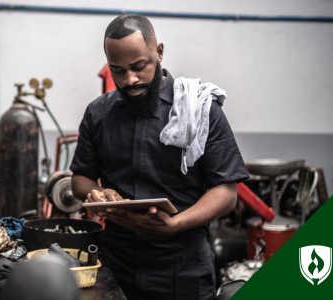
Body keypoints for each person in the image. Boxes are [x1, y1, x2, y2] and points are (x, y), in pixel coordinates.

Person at [70, 14, 249, 300]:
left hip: (183, 272)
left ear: (160, 52)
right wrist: (98, 192)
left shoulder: (199, 110)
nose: (129, 79)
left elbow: (226, 192)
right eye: (118, 71)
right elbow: (80, 178)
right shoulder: (98, 114)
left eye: (139, 67)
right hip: (116, 268)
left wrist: (176, 224)